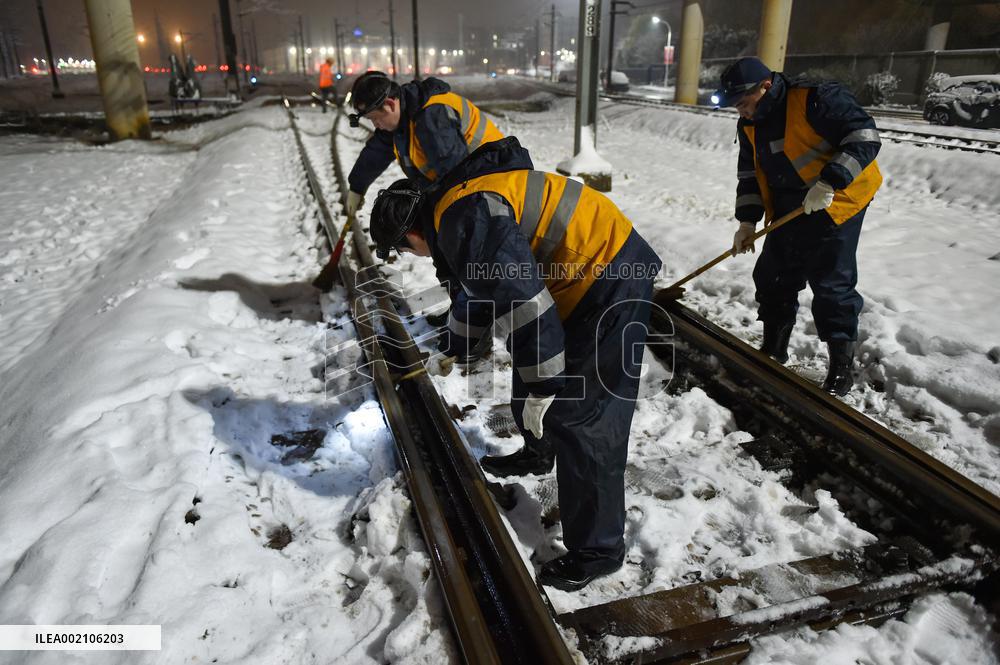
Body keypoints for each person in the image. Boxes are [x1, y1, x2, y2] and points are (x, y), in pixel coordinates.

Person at [367, 137, 662, 592]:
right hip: (581, 275)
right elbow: (480, 292)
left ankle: (599, 551)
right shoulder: (453, 211)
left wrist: (544, 388)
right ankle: (539, 450)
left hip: (611, 276)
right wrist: (456, 348)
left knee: (584, 418)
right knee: (535, 357)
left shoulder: (464, 217)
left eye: (405, 251)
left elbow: (526, 305)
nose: (413, 258)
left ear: (411, 235)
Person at [718, 57, 882, 396]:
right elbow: (749, 175)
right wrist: (746, 222)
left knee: (830, 282)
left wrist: (830, 182)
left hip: (837, 198)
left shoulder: (815, 98)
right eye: (736, 108)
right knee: (773, 274)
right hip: (789, 204)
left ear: (764, 87)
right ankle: (774, 350)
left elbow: (864, 136)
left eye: (744, 104)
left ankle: (840, 371)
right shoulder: (749, 124)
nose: (742, 113)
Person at [344, 71, 504, 217]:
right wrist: (357, 188)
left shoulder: (432, 118)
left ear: (390, 104)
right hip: (474, 185)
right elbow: (376, 153)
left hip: (494, 187)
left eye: (374, 118)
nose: (375, 125)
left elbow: (455, 180)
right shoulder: (403, 113)